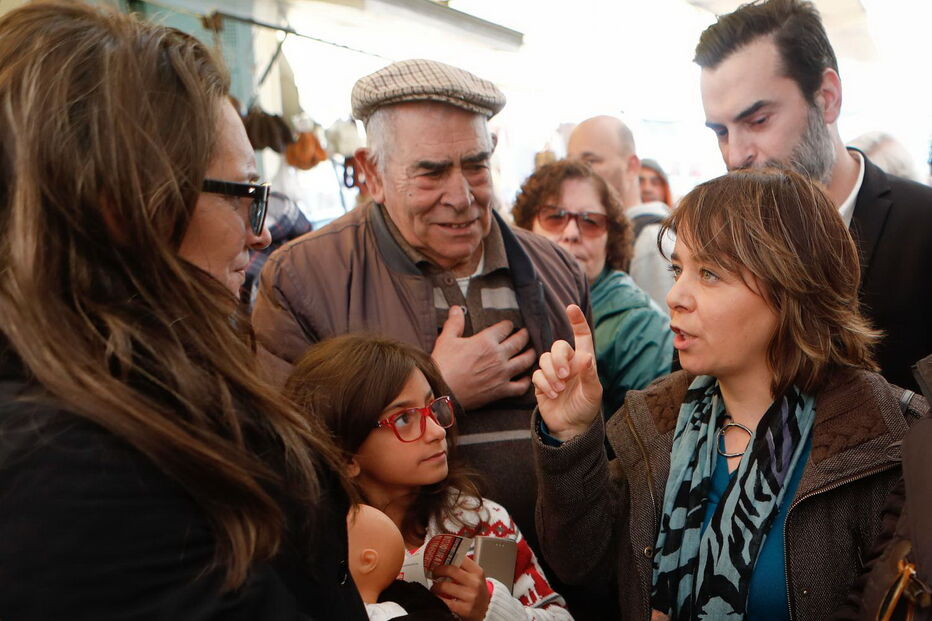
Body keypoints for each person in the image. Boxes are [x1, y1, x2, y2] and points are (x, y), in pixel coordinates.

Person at [0, 3, 365, 619]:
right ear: (127, 206)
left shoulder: (118, 409)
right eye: (246, 195)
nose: (261, 236)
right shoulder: (82, 477)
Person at [531, 169, 927, 620]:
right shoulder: (658, 420)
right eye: (678, 269)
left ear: (791, 286)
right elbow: (582, 567)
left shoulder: (889, 442)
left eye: (710, 274)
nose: (676, 295)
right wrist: (571, 436)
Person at [252, 59, 590, 549]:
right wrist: (438, 388)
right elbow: (288, 460)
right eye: (431, 173)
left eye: (475, 166)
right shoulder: (300, 279)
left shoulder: (559, 269)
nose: (461, 196)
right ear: (372, 172)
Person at [695, 0, 932, 392]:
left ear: (827, 97)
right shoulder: (720, 248)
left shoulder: (922, 231)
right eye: (720, 131)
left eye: (757, 121)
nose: (735, 155)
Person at [284, 334, 573, 621]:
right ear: (345, 455)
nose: (436, 431)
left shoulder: (481, 520)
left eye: (433, 408)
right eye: (403, 419)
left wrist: (492, 609)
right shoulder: (314, 551)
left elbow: (560, 617)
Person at [512, 159, 672, 415]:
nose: (572, 232)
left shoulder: (639, 326)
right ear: (527, 227)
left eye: (590, 222)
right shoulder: (510, 301)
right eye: (555, 217)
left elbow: (651, 444)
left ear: (611, 237)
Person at [567, 116, 674, 310]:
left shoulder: (651, 238)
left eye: (590, 162)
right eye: (571, 164)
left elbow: (668, 331)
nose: (577, 175)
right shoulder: (592, 229)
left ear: (632, 166)